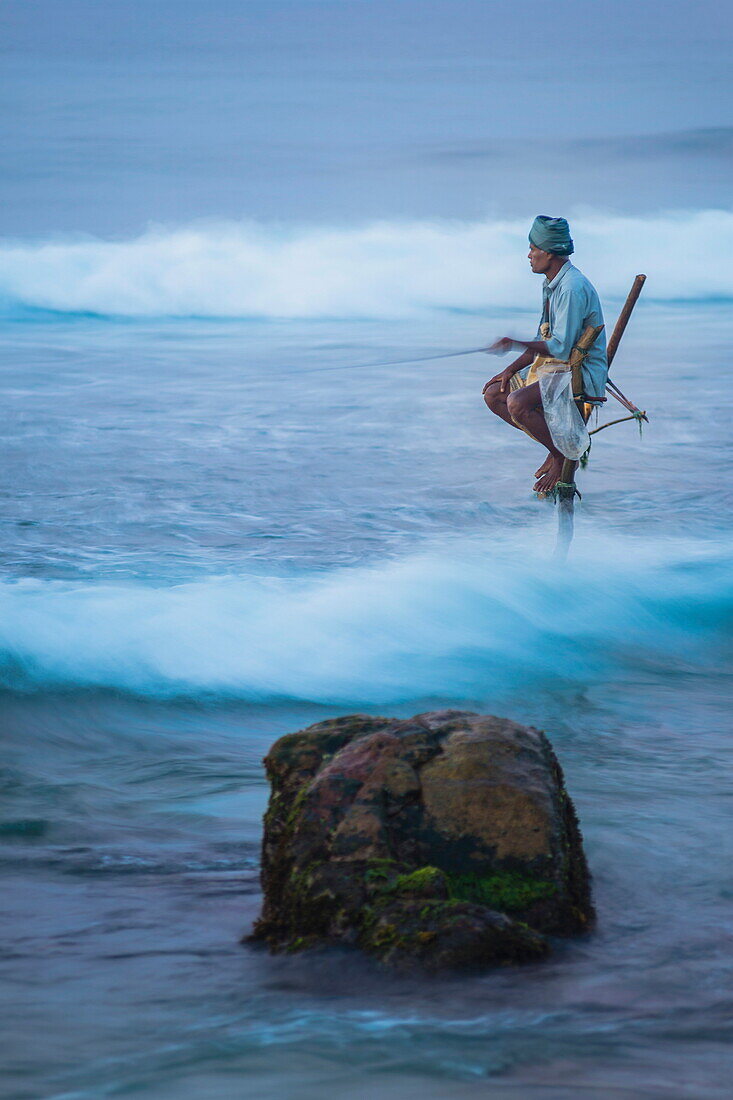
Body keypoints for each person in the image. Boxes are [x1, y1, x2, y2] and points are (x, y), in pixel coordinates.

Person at [482, 215, 607, 494]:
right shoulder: (552, 283)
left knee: (517, 403)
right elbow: (544, 337)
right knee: (493, 393)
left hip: (579, 370)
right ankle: (555, 448)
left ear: (548, 253)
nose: (529, 255)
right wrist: (510, 369)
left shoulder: (572, 288)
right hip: (557, 364)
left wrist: (514, 342)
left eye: (533, 248)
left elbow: (561, 347)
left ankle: (563, 455)